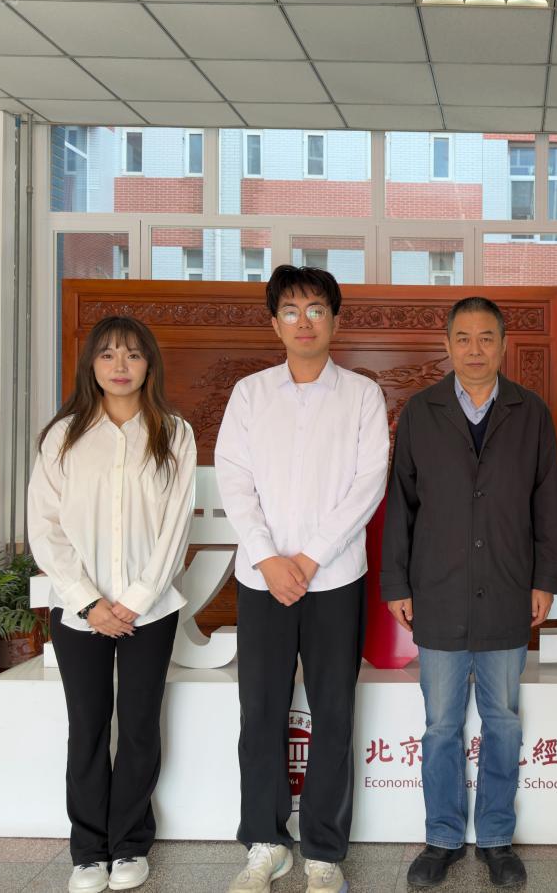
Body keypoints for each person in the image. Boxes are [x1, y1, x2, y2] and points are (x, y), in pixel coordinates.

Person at [215, 265, 389, 893]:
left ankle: (323, 849)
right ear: (275, 323)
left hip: (334, 577)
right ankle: (265, 843)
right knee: (260, 709)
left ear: (335, 320)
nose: (304, 321)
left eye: (316, 309)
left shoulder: (362, 394)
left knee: (333, 710)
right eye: (291, 310)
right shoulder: (250, 394)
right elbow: (234, 479)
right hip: (262, 579)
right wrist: (268, 558)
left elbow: (367, 484)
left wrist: (310, 558)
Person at [381, 296, 557, 889]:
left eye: (487, 338)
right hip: (437, 591)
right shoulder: (421, 410)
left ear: (503, 345)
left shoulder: (530, 412)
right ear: (448, 345)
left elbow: (548, 503)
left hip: (508, 589)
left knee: (502, 720)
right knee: (440, 724)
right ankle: (440, 836)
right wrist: (396, 582)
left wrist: (545, 580)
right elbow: (401, 503)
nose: (475, 349)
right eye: (463, 338)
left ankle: (495, 838)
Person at [28, 316, 197, 893]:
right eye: (107, 354)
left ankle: (129, 845)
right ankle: (88, 851)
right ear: (91, 366)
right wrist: (88, 602)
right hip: (79, 612)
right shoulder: (64, 436)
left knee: (141, 725)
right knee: (88, 727)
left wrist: (136, 600)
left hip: (151, 609)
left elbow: (176, 527)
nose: (120, 366)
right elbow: (45, 527)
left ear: (150, 363)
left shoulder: (174, 433)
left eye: (132, 354)